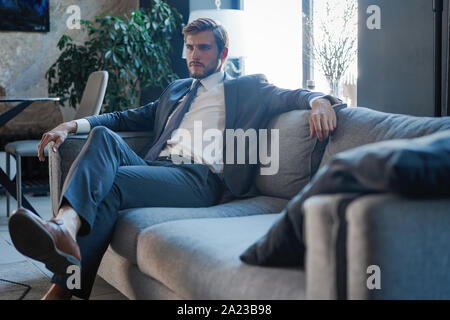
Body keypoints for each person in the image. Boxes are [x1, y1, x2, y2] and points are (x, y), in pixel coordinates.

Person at [8, 18, 341, 300]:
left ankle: (60, 281)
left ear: (222, 53)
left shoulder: (247, 88)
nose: (194, 55)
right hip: (158, 168)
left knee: (110, 185)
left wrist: (319, 101)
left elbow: (291, 95)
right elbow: (125, 117)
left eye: (204, 48)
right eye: (190, 48)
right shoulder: (177, 90)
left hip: (199, 179)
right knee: (103, 137)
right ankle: (65, 227)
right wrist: (70, 124)